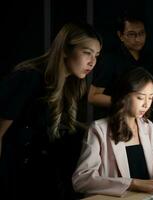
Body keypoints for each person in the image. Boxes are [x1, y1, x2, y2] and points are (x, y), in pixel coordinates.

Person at [0, 21, 102, 200]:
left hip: (44, 180)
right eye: (87, 53)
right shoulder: (28, 77)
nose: (92, 62)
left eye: (96, 55)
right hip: (14, 179)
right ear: (65, 50)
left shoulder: (72, 85)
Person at [72, 67, 153, 197]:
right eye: (140, 97)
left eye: (150, 98)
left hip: (149, 196)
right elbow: (81, 180)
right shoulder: (99, 129)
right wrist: (133, 183)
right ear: (124, 96)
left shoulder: (147, 126)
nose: (146, 104)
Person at [88, 11, 153, 120]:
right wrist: (125, 102)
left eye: (141, 33)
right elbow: (93, 97)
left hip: (140, 120)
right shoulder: (111, 59)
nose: (138, 39)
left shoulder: (148, 59)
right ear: (121, 36)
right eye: (132, 34)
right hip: (112, 120)